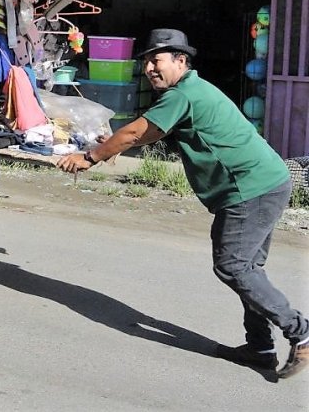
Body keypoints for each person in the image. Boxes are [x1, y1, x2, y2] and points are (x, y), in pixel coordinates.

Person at [58, 28, 308, 379]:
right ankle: (260, 347)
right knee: (248, 268)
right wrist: (112, 143)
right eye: (146, 62)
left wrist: (91, 157)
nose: (150, 69)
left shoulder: (183, 94)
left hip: (249, 188)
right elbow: (150, 132)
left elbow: (137, 132)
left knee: (233, 266)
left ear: (180, 60)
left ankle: (300, 331)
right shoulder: (189, 91)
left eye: (156, 60)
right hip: (267, 181)